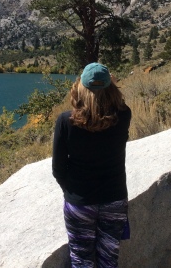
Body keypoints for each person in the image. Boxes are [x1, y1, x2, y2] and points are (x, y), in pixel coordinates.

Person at [52, 62, 131, 268]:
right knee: (108, 258)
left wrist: (72, 192)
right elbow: (116, 101)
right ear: (111, 87)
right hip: (114, 199)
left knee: (81, 259)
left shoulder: (65, 121)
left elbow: (58, 169)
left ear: (81, 88)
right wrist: (109, 84)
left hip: (80, 201)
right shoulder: (123, 116)